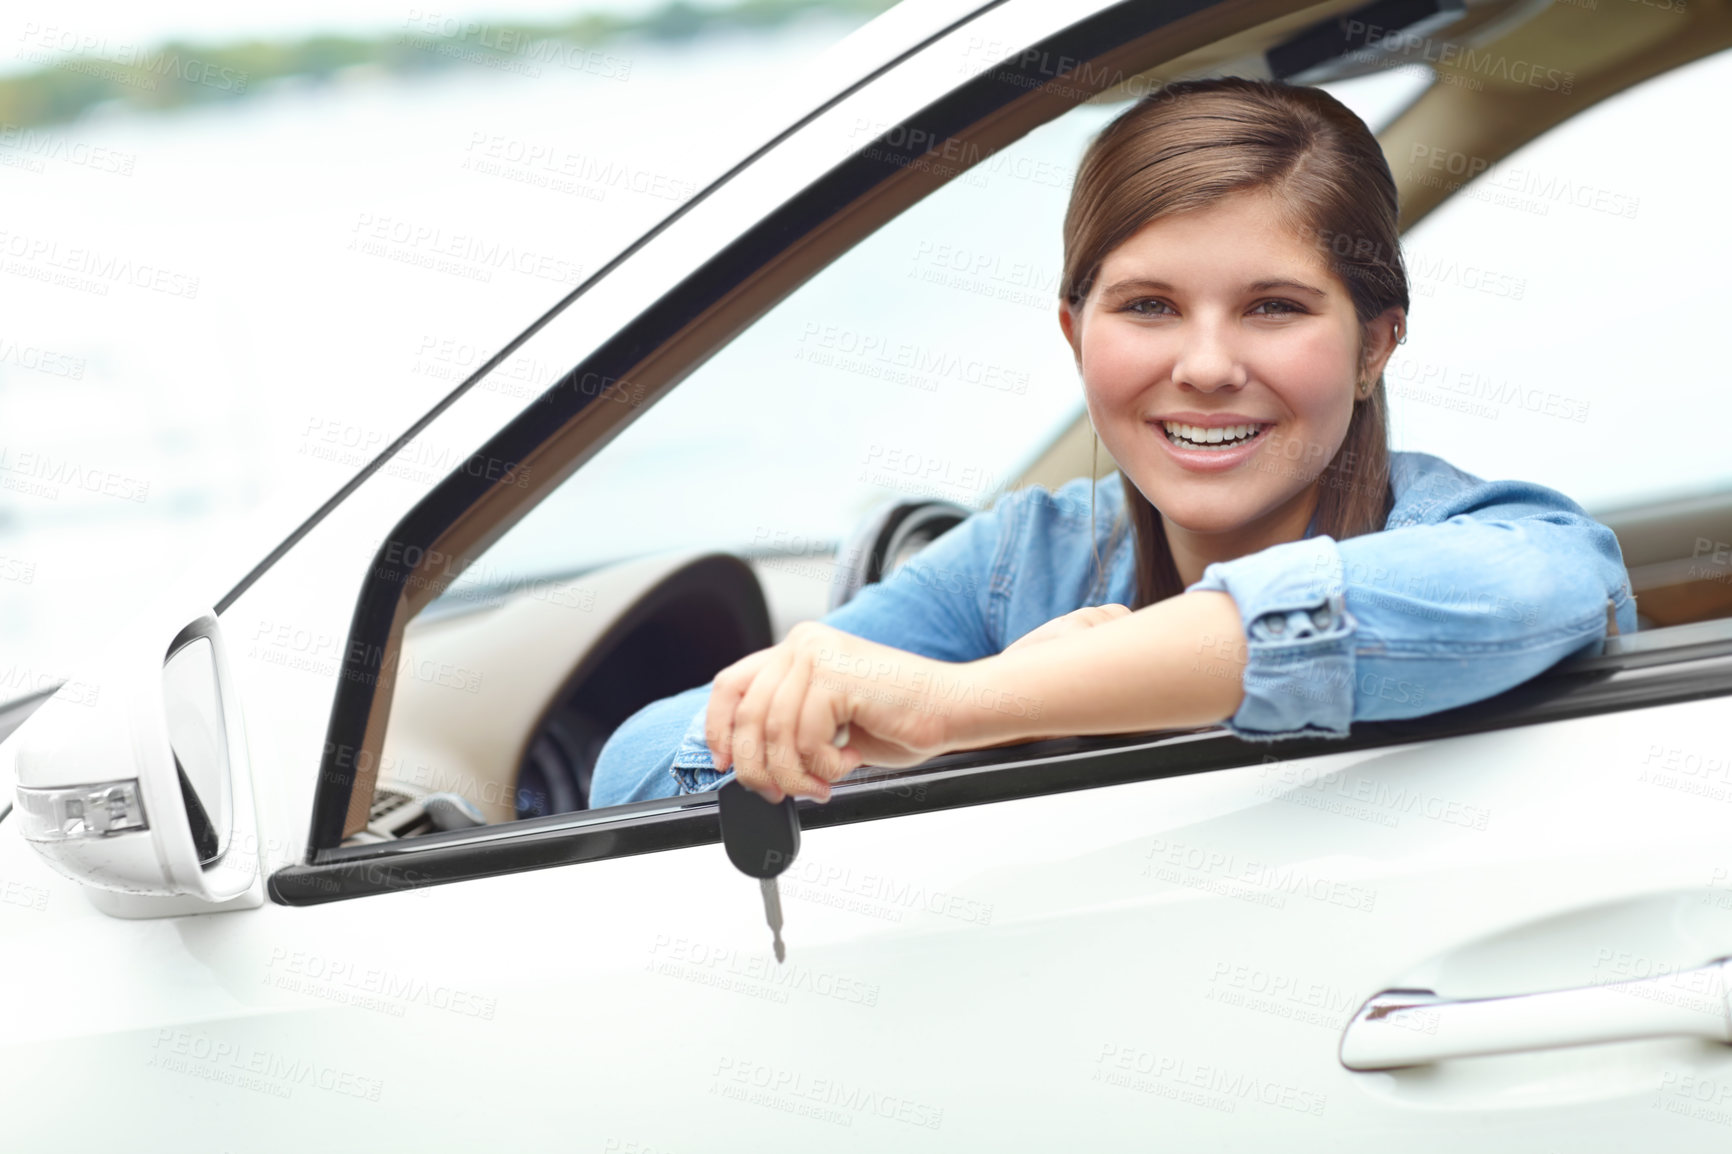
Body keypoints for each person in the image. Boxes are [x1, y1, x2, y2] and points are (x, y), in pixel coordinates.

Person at [586, 76, 1635, 809]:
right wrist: (833, 726)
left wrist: (968, 704)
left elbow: (1537, 590)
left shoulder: (1485, 536)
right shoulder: (1022, 564)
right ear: (1072, 332)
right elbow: (635, 769)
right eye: (1147, 306)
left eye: (1273, 307)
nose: (1209, 364)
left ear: (1375, 345)